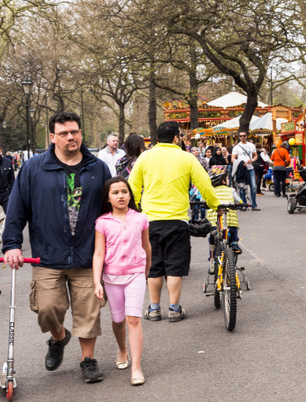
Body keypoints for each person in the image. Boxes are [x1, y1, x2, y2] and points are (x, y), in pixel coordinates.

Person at [2, 111, 111, 382]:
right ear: (52, 137)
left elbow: (110, 209)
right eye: (63, 133)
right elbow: (17, 208)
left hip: (87, 254)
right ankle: (59, 337)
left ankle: (88, 360)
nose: (70, 137)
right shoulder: (34, 168)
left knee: (88, 311)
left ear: (81, 134)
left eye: (74, 131)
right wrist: (12, 244)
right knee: (47, 308)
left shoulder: (97, 168)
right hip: (48, 254)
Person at [128, 121, 220, 323]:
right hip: (177, 221)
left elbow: (132, 186)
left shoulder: (144, 157)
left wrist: (135, 210)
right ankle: (174, 309)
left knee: (154, 267)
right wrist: (215, 204)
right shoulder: (186, 158)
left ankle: (153, 309)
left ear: (157, 138)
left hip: (150, 221)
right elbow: (204, 183)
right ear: (177, 138)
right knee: (174, 267)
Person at [92, 177, 151, 386]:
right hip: (111, 277)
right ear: (108, 198)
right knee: (118, 320)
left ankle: (136, 367)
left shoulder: (140, 218)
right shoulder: (102, 222)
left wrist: (146, 271)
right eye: (115, 192)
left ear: (130, 195)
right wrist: (97, 282)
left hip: (135, 274)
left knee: (133, 319)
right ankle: (122, 349)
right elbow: (99, 253)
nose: (120, 196)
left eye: (124, 192)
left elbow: (146, 247)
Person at [206, 166, 242, 250]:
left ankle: (213, 257)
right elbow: (240, 202)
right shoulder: (231, 190)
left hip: (214, 223)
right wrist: (241, 204)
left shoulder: (209, 191)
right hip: (230, 222)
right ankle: (234, 243)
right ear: (223, 181)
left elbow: (202, 201)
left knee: (213, 239)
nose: (228, 180)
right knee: (233, 232)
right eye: (227, 178)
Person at [231, 131, 259, 210]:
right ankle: (243, 205)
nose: (242, 137)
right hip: (242, 169)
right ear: (238, 137)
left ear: (246, 136)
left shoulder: (251, 145)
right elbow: (233, 159)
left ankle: (254, 205)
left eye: (244, 135)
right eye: (241, 136)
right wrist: (240, 163)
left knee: (253, 187)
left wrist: (252, 160)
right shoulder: (236, 147)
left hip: (250, 168)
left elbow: (256, 155)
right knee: (242, 187)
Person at [0, 142, 15, 243]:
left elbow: (12, 180)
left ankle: (10, 234)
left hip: (5, 193)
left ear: (0, 151)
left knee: (11, 214)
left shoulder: (7, 162)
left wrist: (13, 193)